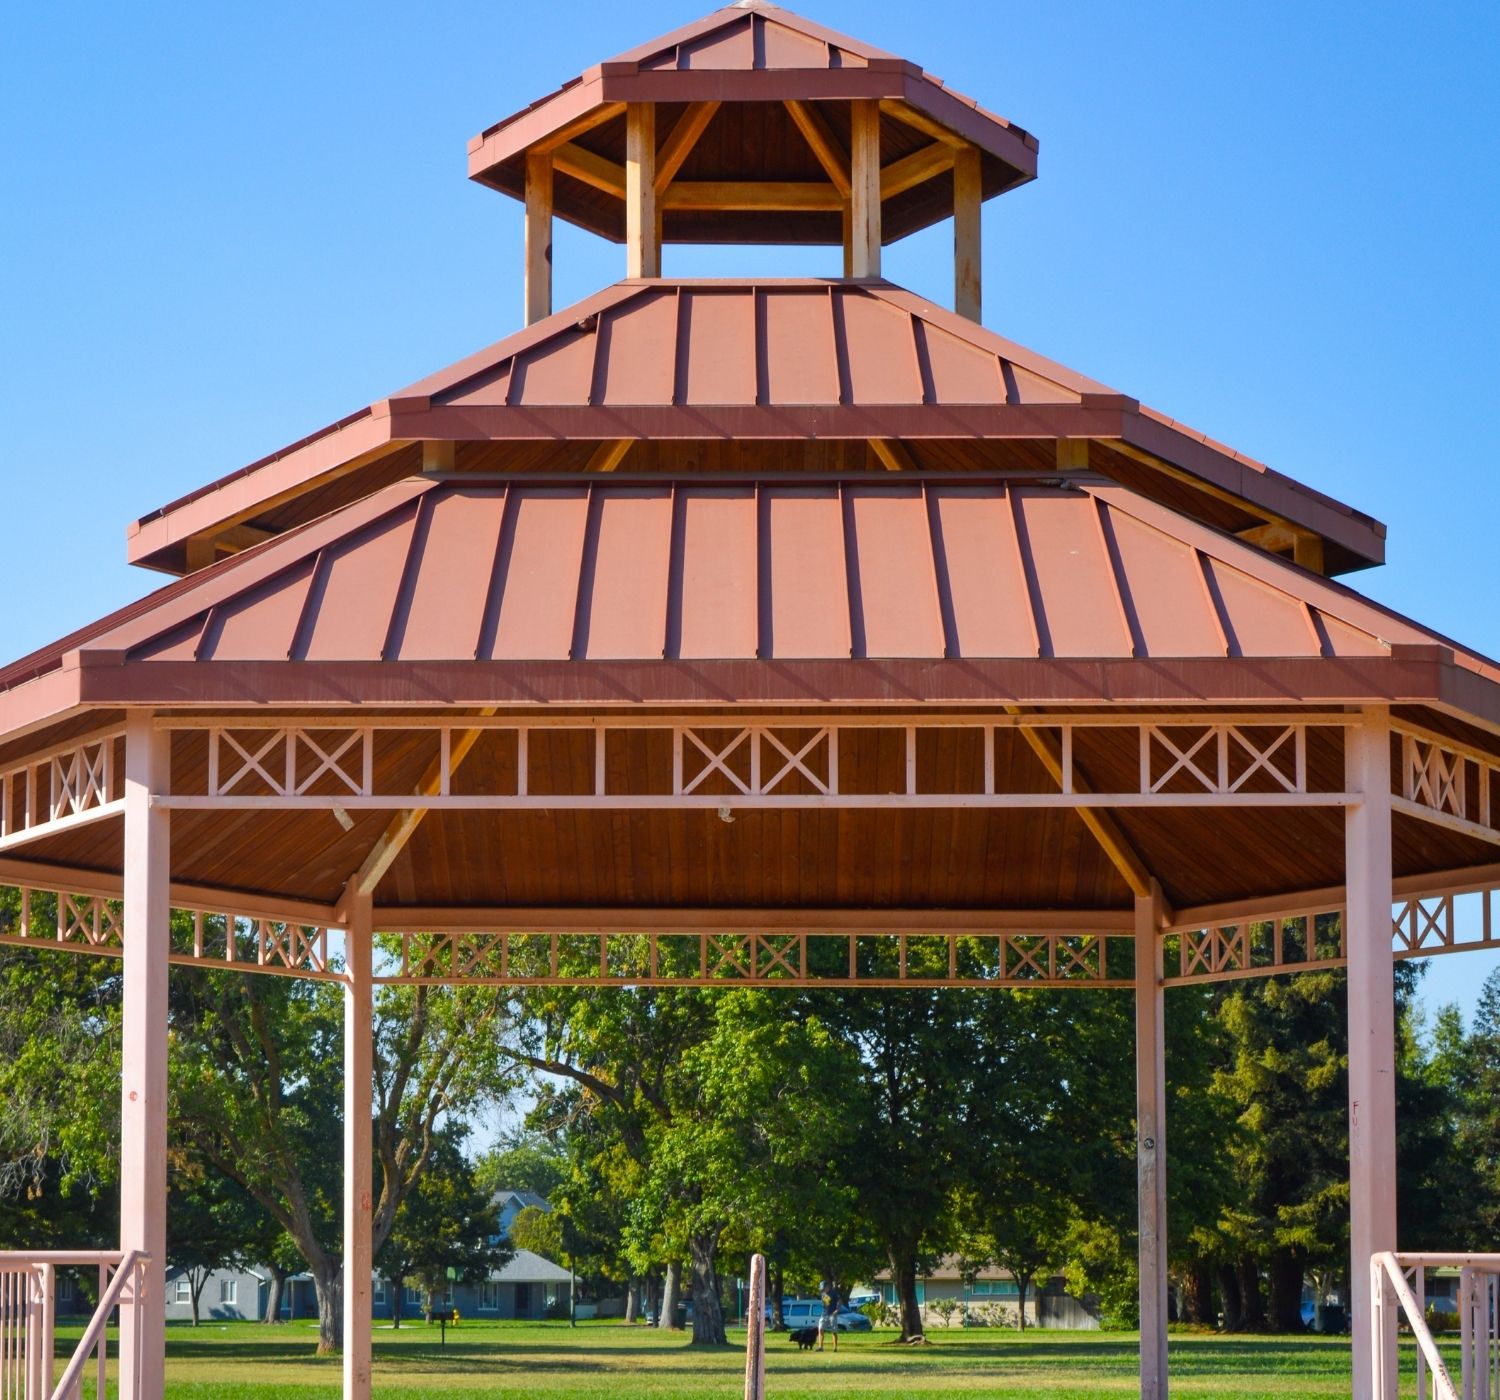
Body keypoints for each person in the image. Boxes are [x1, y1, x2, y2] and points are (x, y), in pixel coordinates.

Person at [817, 1279, 839, 1352]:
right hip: (824, 1314)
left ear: (827, 1286)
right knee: (820, 1329)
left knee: (834, 1331)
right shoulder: (823, 1294)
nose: (823, 1290)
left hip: (832, 1314)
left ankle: (835, 1348)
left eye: (823, 1288)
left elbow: (839, 1301)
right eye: (822, 1289)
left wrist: (837, 1310)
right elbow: (826, 1304)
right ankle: (820, 1347)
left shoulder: (833, 1293)